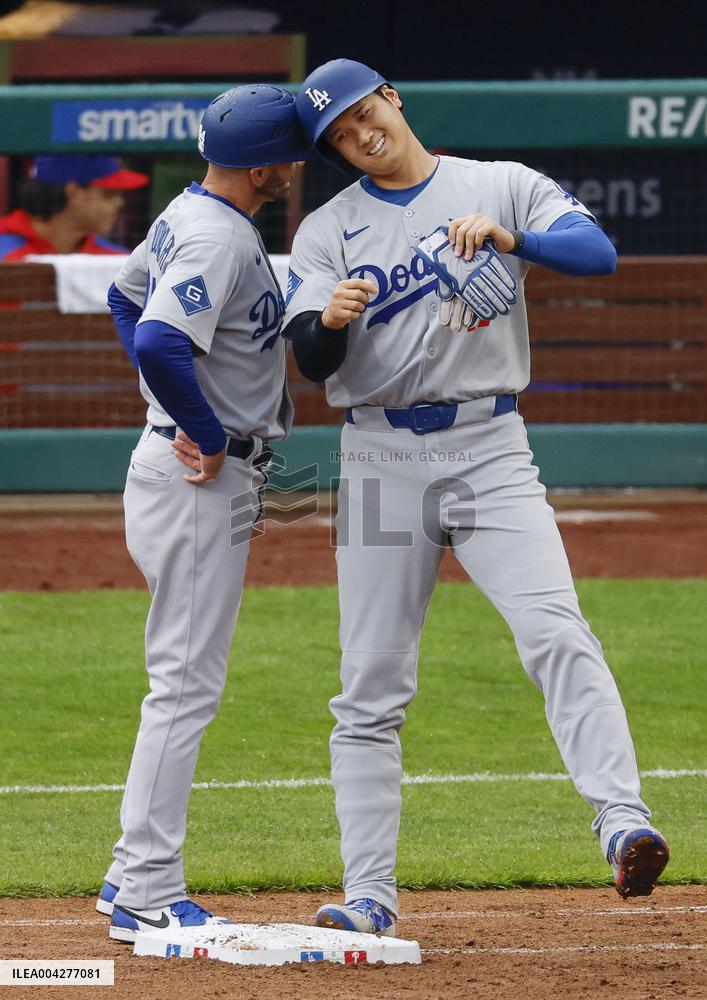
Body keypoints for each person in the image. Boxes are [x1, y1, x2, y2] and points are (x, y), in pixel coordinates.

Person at [283, 59, 669, 937]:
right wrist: (328, 323)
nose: (357, 136)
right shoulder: (328, 230)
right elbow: (310, 357)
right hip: (379, 455)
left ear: (393, 96)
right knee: (369, 685)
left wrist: (509, 237)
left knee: (554, 629)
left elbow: (597, 253)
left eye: (361, 113)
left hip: (491, 449)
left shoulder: (499, 185)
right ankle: (369, 894)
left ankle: (622, 821)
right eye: (338, 136)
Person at [95, 85, 308, 942]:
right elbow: (153, 335)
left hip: (190, 472)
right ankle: (147, 887)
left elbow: (124, 301)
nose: (297, 164)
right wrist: (204, 428)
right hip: (196, 479)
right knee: (183, 688)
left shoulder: (189, 212)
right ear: (262, 165)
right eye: (290, 152)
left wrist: (180, 413)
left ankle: (126, 879)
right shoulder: (219, 235)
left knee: (184, 682)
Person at [0, 155, 149, 260]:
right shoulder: (5, 253)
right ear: (73, 192)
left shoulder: (117, 260)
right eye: (108, 194)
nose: (119, 203)